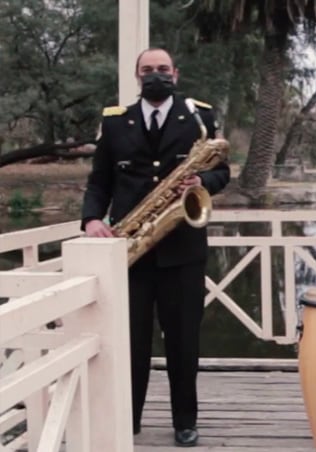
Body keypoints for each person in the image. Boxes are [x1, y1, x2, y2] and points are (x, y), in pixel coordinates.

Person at [81, 47, 230, 448]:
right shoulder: (115, 123)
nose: (156, 75)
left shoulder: (198, 116)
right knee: (131, 343)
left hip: (183, 250)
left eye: (163, 69)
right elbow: (99, 183)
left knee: (184, 341)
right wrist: (93, 219)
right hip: (130, 251)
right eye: (148, 70)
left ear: (176, 74)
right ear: (137, 76)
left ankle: (185, 421)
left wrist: (203, 185)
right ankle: (128, 419)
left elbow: (222, 171)